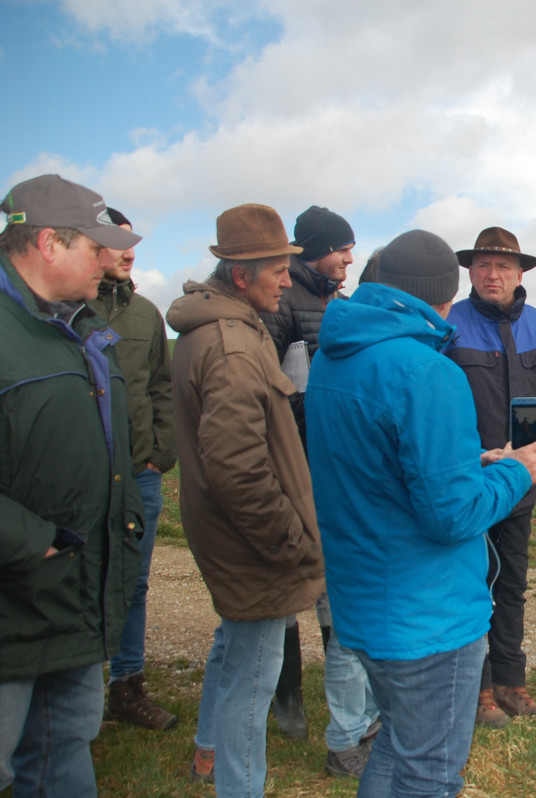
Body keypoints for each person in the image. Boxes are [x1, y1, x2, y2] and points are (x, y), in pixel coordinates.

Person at [305, 229, 536, 796]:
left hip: (362, 603)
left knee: (395, 746)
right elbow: (452, 516)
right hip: (425, 618)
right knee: (431, 773)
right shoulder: (426, 371)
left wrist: (471, 458)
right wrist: (514, 471)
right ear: (445, 296)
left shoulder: (336, 356)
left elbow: (378, 466)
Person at [167, 204, 325, 794]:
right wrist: (287, 539)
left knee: (233, 650)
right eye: (278, 270)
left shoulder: (221, 328)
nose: (288, 280)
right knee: (253, 682)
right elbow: (237, 468)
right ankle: (239, 785)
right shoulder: (233, 348)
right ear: (240, 276)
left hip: (229, 535)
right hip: (252, 546)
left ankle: (207, 753)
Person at [0, 174, 143, 796]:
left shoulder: (84, 331)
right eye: (96, 245)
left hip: (77, 596)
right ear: (49, 244)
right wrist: (32, 540)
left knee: (63, 755)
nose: (110, 262)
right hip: (15, 601)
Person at [258, 205, 379, 775]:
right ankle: (286, 697)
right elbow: (267, 390)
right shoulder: (283, 306)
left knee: (335, 588)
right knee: (287, 587)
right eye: (340, 249)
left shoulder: (341, 303)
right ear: (312, 250)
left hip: (330, 469)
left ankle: (341, 702)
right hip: (294, 466)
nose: (349, 259)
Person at [445, 226, 536, 727]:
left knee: (512, 584)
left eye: (502, 266)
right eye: (482, 265)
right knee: (470, 583)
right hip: (470, 483)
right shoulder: (450, 324)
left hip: (521, 486)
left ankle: (511, 684)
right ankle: (477, 692)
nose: (491, 274)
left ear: (520, 273)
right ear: (470, 272)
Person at [87, 208, 179, 732]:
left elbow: (161, 387)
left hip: (140, 475)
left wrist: (158, 454)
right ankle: (63, 693)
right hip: (81, 478)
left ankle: (126, 685)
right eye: (117, 243)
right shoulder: (65, 309)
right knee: (71, 579)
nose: (129, 253)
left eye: (132, 244)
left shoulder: (146, 314)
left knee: (134, 583)